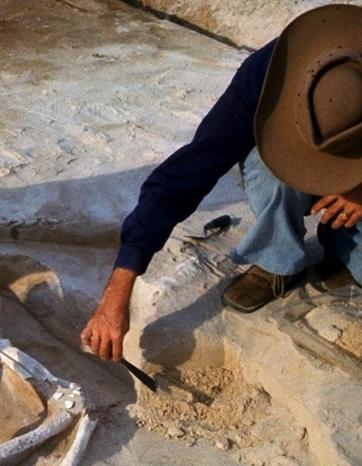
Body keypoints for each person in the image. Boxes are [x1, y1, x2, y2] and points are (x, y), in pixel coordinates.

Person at [82, 3, 362, 362]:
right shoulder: (271, 74)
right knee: (268, 166)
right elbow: (188, 171)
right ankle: (278, 260)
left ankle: (342, 244)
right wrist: (117, 293)